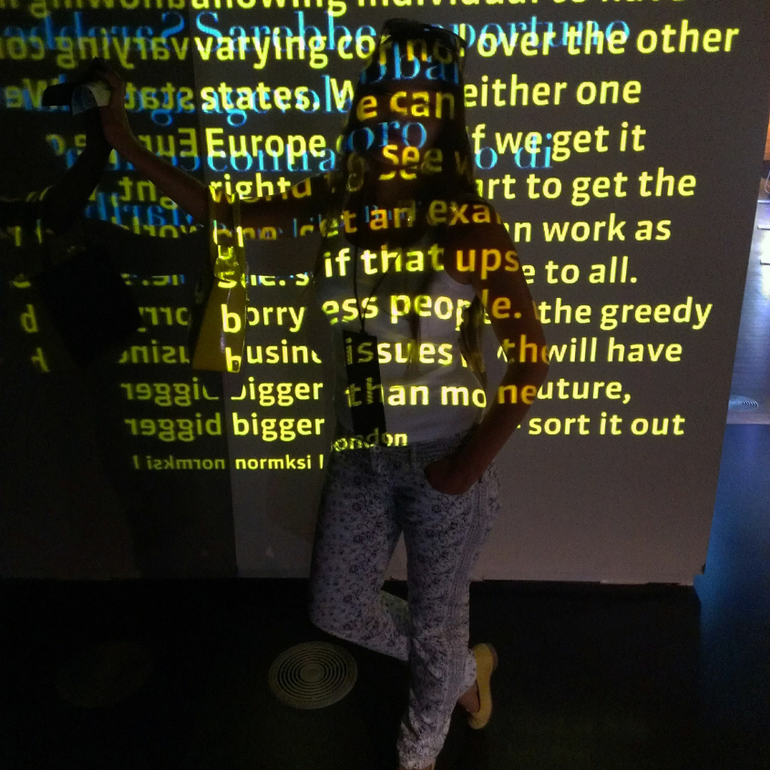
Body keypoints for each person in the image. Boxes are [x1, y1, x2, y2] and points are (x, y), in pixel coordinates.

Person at [95, 19, 548, 769]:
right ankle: (463, 670)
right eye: (387, 96)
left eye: (420, 102)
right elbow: (222, 211)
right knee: (337, 610)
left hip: (443, 460)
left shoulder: (468, 224)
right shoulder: (341, 198)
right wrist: (125, 143)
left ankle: (420, 748)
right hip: (360, 455)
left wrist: (463, 472)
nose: (399, 116)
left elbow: (531, 361)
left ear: (445, 118)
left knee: (433, 637)